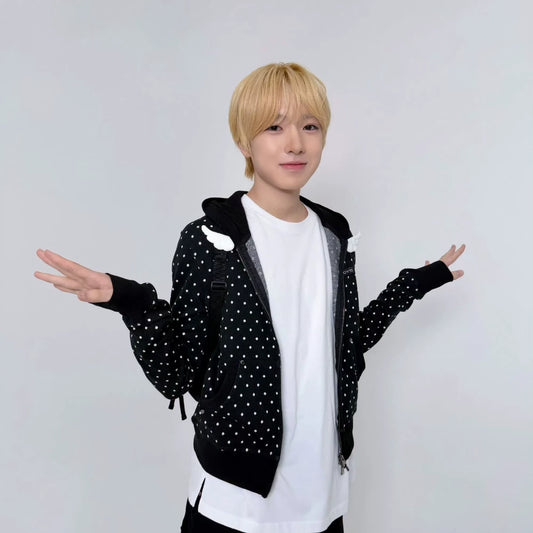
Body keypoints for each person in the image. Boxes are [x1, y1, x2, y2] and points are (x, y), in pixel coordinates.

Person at [34, 62, 466, 533]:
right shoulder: (211, 240)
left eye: (310, 126)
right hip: (234, 504)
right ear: (244, 141)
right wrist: (131, 302)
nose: (295, 143)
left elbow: (345, 345)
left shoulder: (335, 235)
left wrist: (412, 285)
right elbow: (177, 372)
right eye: (274, 127)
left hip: (323, 500)